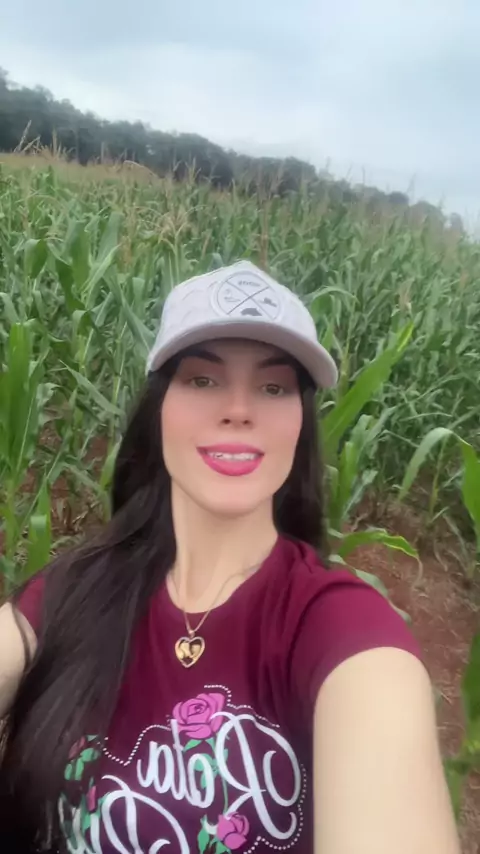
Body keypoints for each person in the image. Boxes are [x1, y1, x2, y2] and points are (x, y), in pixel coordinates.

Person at [0, 260, 459, 854]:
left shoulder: (337, 629)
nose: (239, 409)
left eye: (274, 387)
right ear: (159, 409)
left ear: (300, 423)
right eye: (202, 379)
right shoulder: (75, 591)